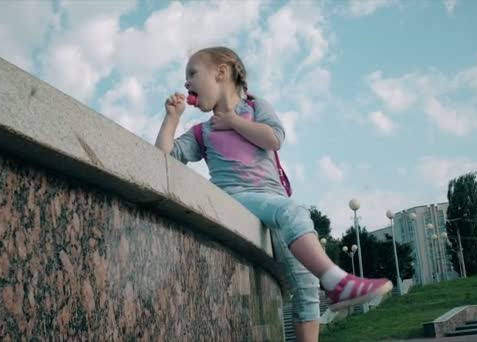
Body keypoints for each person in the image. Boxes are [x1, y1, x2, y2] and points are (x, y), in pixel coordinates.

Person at [155, 46, 392, 342]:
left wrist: (233, 121)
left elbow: (274, 139)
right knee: (293, 212)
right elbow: (164, 156)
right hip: (237, 197)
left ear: (221, 72)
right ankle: (336, 281)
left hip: (273, 199)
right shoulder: (203, 132)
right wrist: (172, 118)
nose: (187, 83)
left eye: (192, 73)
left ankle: (329, 285)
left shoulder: (256, 108)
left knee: (305, 286)